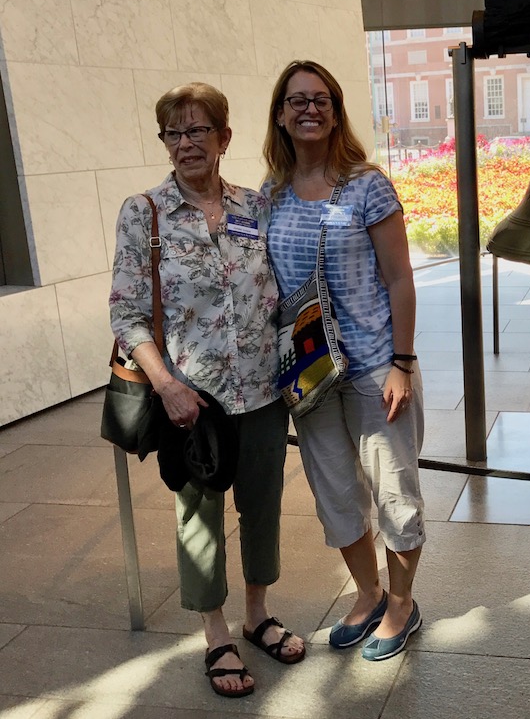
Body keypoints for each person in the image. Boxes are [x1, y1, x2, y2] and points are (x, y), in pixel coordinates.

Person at [109, 82, 305, 698]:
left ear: (224, 138)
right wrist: (166, 386)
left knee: (264, 504)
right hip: (192, 396)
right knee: (199, 516)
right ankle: (215, 631)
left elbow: (279, 289)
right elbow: (126, 313)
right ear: (164, 141)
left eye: (199, 130)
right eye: (175, 131)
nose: (186, 142)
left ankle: (256, 613)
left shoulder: (255, 205)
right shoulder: (145, 211)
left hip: (264, 391)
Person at [263, 60, 425, 662]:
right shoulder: (271, 195)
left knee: (394, 493)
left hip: (373, 366)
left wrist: (402, 362)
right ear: (280, 114)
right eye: (296, 100)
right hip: (309, 375)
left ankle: (404, 605)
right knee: (335, 492)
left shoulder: (367, 184)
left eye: (321, 99)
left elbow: (401, 279)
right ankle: (368, 593)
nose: (309, 108)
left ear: (335, 111)